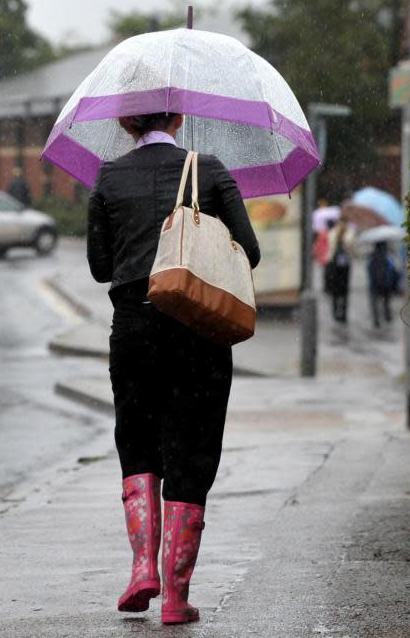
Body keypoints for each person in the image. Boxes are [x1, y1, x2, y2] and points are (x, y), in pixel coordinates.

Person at [87, 111, 259, 625]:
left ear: (124, 123)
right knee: (193, 446)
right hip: (199, 332)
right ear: (179, 117)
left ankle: (142, 567)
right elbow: (249, 251)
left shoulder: (108, 176)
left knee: (137, 440)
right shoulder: (209, 170)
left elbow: (100, 267)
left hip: (134, 331)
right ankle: (177, 597)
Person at [323, 219, 352, 324]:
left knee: (336, 291)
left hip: (335, 266)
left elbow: (330, 249)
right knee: (343, 292)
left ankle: (336, 313)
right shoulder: (348, 234)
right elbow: (351, 249)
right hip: (344, 267)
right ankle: (342, 314)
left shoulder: (333, 233)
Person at [367, 240, 399, 328]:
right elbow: (393, 269)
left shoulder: (371, 256)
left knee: (374, 303)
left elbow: (368, 269)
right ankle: (387, 316)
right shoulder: (388, 256)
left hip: (374, 285)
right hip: (386, 285)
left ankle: (376, 320)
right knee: (386, 302)